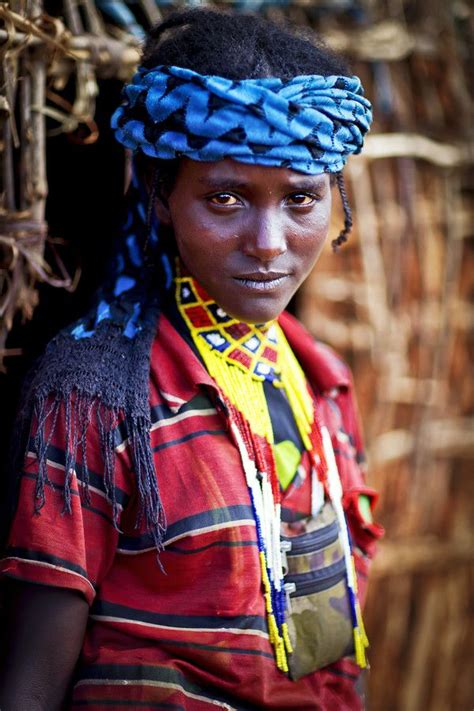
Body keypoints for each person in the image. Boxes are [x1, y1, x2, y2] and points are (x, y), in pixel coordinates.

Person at [0, 8, 383, 710]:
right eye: (225, 197)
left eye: (301, 198)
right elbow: (31, 681)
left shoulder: (321, 383)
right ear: (161, 198)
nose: (268, 242)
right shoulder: (94, 398)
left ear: (336, 201)